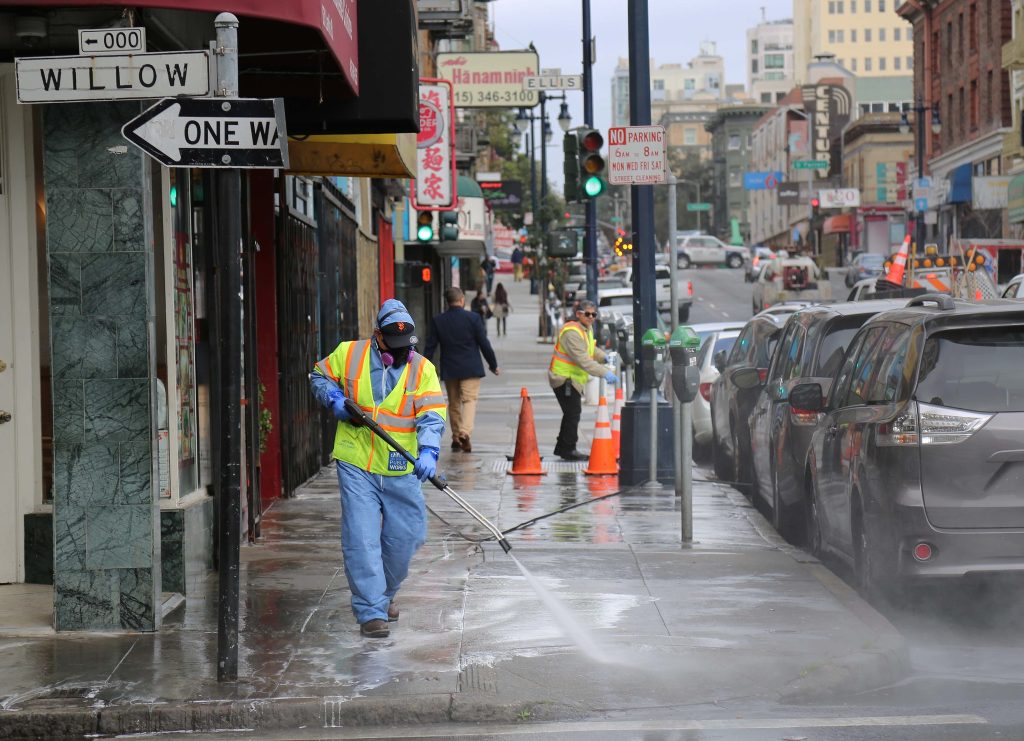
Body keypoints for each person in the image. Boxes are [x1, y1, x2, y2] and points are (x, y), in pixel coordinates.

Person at [309, 300, 446, 639]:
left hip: (402, 467)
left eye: (405, 347)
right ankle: (371, 610)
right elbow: (318, 375)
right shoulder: (349, 353)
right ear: (377, 337)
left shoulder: (422, 368)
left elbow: (432, 414)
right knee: (361, 538)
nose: (400, 354)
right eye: (393, 346)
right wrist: (334, 399)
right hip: (357, 463)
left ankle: (383, 595)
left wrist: (429, 451)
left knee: (407, 537)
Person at [424, 287, 500, 453]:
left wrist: (422, 367)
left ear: (448, 302)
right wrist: (493, 364)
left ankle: (456, 437)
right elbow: (484, 344)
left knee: (454, 404)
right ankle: (464, 432)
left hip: (450, 368)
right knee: (469, 400)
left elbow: (430, 347)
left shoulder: (439, 320)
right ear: (462, 300)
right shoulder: (473, 318)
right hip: (471, 367)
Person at [548, 300, 618, 461]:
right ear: (578, 314)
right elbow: (583, 360)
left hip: (572, 378)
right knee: (573, 412)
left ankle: (563, 447)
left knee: (570, 413)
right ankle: (569, 449)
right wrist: (605, 373)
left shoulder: (585, 329)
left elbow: (590, 350)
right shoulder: (572, 332)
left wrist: (604, 357)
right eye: (588, 314)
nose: (591, 317)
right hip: (563, 378)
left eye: (594, 314)